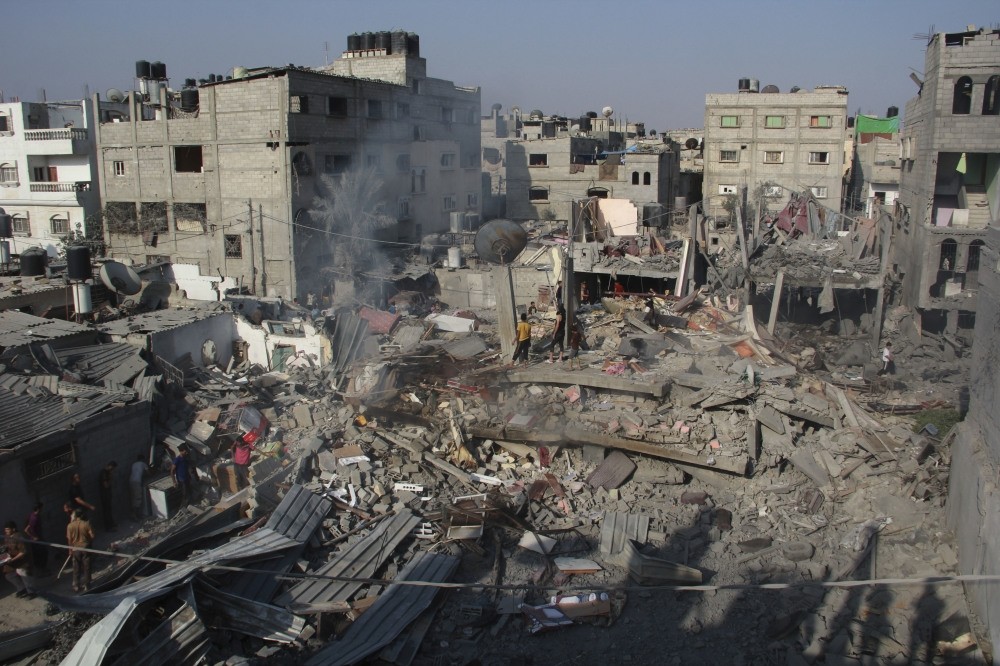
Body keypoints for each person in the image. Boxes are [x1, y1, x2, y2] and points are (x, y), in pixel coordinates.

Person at [66, 509, 95, 593]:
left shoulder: (70, 526)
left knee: (76, 567)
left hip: (75, 549)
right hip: (85, 547)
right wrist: (88, 541)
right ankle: (87, 584)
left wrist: (70, 549)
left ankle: (76, 585)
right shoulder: (86, 524)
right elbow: (92, 535)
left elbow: (69, 539)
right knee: (87, 566)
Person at [24, 502, 46, 572]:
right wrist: (33, 537)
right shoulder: (34, 518)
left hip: (38, 539)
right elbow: (26, 530)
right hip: (36, 541)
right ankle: (41, 570)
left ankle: (42, 569)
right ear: (39, 508)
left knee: (41, 554)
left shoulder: (33, 515)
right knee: (42, 554)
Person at [98, 461, 118, 531]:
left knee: (108, 510)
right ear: (110, 466)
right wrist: (110, 478)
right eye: (113, 468)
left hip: (107, 495)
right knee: (106, 511)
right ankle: (108, 527)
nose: (113, 470)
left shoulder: (106, 472)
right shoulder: (104, 473)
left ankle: (111, 524)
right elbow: (106, 485)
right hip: (105, 495)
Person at [129, 455, 148, 521]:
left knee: (133, 498)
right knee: (138, 499)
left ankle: (136, 515)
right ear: (142, 459)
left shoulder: (134, 464)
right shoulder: (143, 464)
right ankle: (135, 516)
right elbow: (148, 472)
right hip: (137, 482)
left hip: (131, 481)